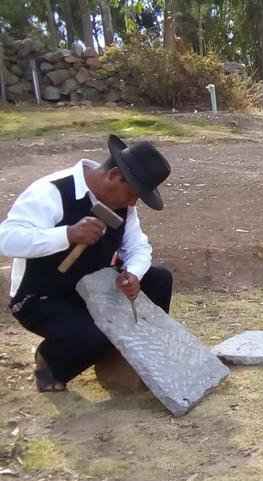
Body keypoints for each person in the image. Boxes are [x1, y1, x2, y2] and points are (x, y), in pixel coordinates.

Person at [0, 135, 173, 392]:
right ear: (114, 176)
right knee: (94, 334)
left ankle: (130, 357)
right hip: (42, 297)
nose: (134, 203)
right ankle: (51, 363)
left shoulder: (122, 204)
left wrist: (133, 274)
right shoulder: (51, 191)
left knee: (159, 279)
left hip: (93, 290)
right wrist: (66, 235)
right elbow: (6, 239)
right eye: (134, 194)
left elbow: (138, 247)